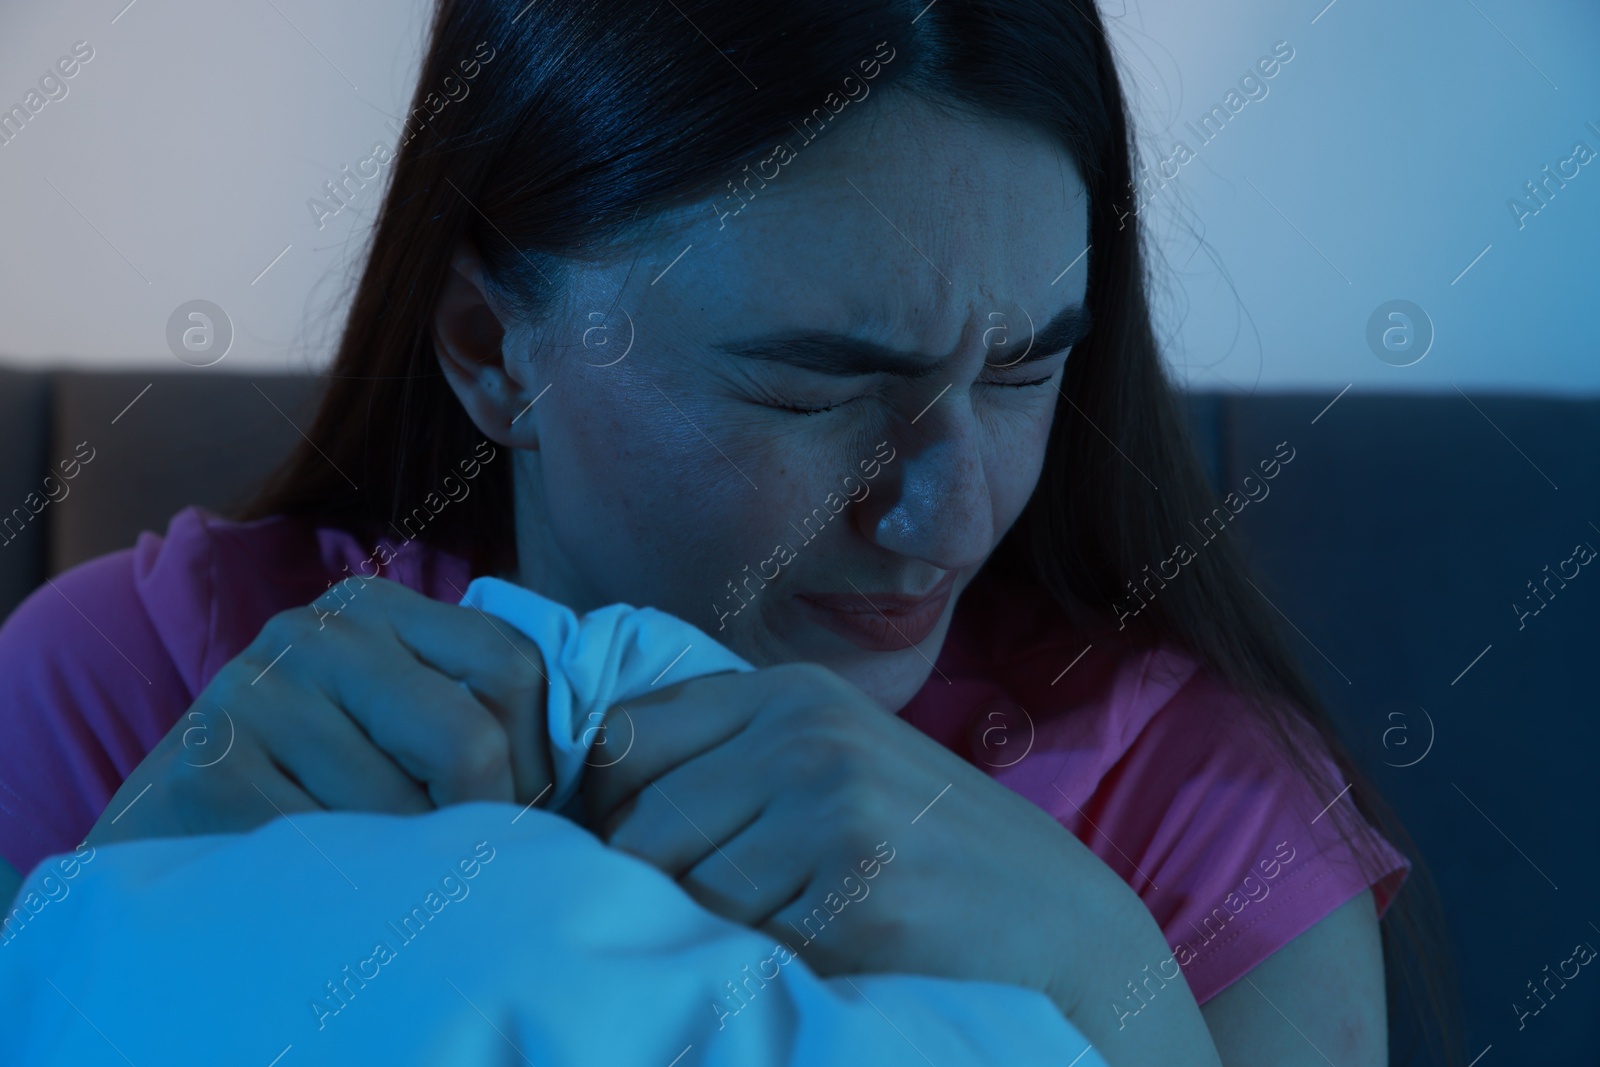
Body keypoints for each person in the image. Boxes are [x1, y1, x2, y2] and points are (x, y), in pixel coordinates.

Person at [0, 0, 1457, 1062]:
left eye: (1022, 371)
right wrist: (86, 923)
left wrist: (1106, 984)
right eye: (815, 383)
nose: (945, 514)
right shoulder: (135, 691)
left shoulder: (1202, 813)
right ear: (489, 346)